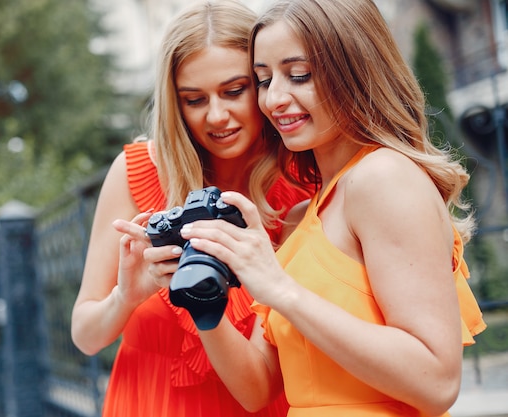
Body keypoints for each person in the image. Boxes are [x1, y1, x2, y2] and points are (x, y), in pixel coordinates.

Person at [171, 0, 487, 416]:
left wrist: (282, 291)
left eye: (299, 75)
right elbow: (258, 388)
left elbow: (437, 381)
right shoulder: (303, 216)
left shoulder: (383, 178)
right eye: (264, 80)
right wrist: (201, 296)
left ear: (355, 70)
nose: (275, 99)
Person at [70, 1, 311, 416]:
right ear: (174, 103)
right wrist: (126, 297)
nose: (217, 116)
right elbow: (86, 336)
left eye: (235, 91)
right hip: (148, 402)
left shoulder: (301, 189)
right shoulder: (137, 172)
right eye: (194, 99)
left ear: (263, 82)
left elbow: (263, 379)